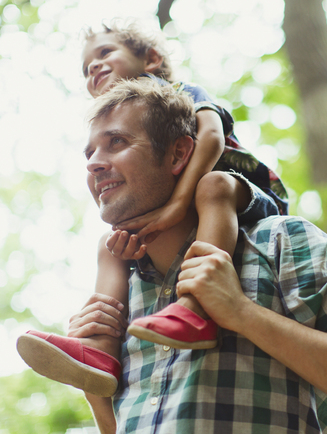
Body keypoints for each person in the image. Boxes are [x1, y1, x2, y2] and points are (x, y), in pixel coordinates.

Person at [17, 20, 287, 397]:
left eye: (105, 52)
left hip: (239, 186)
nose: (93, 66)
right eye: (85, 67)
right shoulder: (124, 115)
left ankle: (195, 307)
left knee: (212, 186)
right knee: (107, 244)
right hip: (196, 197)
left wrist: (177, 206)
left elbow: (209, 136)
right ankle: (100, 352)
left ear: (152, 59)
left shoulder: (180, 92)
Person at [69, 79, 327, 433]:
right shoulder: (119, 294)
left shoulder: (281, 243)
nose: (94, 164)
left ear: (178, 154)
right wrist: (95, 390)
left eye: (116, 142)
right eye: (89, 153)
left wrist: (242, 313)